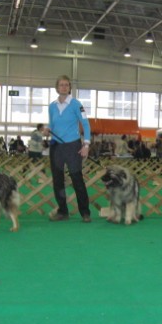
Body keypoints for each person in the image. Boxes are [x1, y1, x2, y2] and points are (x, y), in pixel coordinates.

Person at [47, 75, 92, 223]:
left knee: (77, 179)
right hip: (56, 147)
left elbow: (85, 124)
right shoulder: (52, 106)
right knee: (57, 181)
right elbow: (52, 125)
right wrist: (48, 131)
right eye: (61, 85)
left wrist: (86, 145)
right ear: (57, 87)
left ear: (69, 87)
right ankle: (62, 211)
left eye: (66, 85)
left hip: (73, 146)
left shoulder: (76, 104)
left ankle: (85, 213)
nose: (64, 87)